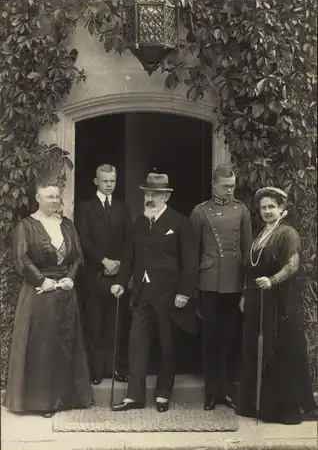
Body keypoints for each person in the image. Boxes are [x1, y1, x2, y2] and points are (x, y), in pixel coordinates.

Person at [4, 179, 92, 417]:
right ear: (38, 199)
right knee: (43, 347)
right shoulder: (26, 225)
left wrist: (70, 279)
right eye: (49, 197)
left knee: (64, 344)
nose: (54, 200)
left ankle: (67, 398)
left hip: (65, 291)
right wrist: (42, 281)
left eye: (56, 196)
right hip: (39, 293)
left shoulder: (67, 225)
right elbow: (21, 260)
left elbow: (78, 257)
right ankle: (42, 402)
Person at [110, 172, 197, 413]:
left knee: (168, 345)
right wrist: (120, 281)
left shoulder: (180, 222)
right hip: (141, 293)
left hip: (169, 296)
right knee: (136, 343)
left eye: (155, 194)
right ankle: (135, 397)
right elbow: (129, 256)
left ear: (166, 196)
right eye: (147, 193)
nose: (149, 198)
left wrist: (184, 292)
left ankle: (163, 395)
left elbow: (190, 262)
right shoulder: (139, 222)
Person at [236, 186, 317, 424]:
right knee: (255, 348)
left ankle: (279, 408)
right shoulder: (261, 234)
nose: (268, 211)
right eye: (264, 208)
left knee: (278, 350)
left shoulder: (287, 233)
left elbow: (292, 265)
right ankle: (256, 404)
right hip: (257, 299)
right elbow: (251, 269)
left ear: (282, 209)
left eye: (272, 207)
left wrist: (272, 280)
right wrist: (244, 295)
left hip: (280, 303)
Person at [190, 164, 252, 411]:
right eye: (225, 186)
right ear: (214, 184)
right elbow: (193, 252)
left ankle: (225, 390)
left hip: (234, 284)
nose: (230, 190)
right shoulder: (200, 212)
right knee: (210, 339)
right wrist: (193, 289)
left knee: (229, 339)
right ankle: (210, 392)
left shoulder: (242, 210)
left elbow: (248, 253)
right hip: (208, 283)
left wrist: (246, 289)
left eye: (232, 185)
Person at [76, 164, 132, 386]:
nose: (109, 185)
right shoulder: (85, 208)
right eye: (105, 181)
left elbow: (129, 239)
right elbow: (82, 239)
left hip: (117, 275)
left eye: (112, 181)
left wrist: (120, 266)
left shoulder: (122, 208)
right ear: (96, 181)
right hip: (94, 275)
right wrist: (104, 260)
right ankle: (95, 370)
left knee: (116, 324)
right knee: (95, 323)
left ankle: (116, 368)